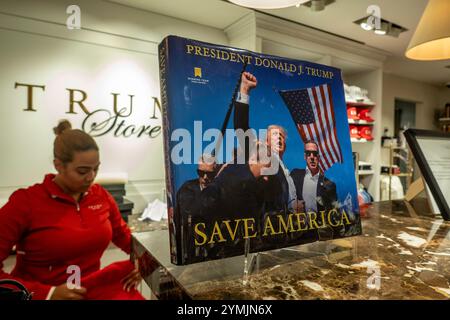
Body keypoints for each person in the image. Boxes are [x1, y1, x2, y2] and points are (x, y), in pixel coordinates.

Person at [0, 120, 143, 300]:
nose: (91, 177)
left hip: (88, 290)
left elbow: (126, 238)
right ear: (58, 165)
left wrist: (142, 263)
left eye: (96, 169)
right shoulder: (25, 202)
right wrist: (47, 294)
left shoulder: (101, 196)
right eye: (82, 171)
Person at [234, 72, 297, 212]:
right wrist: (244, 90)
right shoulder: (264, 157)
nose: (279, 138)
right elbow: (241, 128)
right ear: (266, 142)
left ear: (285, 145)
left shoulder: (286, 171)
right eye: (275, 135)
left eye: (281, 136)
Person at [175, 154, 217, 261]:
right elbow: (192, 210)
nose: (205, 177)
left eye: (209, 173)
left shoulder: (221, 189)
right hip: (192, 249)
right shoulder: (187, 188)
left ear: (216, 172)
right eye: (201, 173)